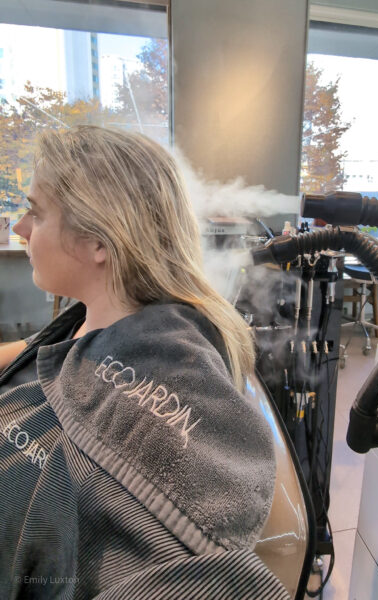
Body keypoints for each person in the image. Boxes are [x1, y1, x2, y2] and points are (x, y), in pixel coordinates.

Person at [0, 126, 288, 599]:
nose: (19, 228)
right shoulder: (85, 319)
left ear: (99, 241)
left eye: (35, 211)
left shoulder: (166, 365)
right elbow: (28, 351)